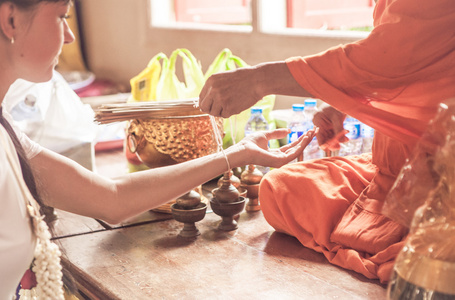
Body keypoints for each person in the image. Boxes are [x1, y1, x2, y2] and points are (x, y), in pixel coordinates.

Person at [0, 1, 316, 298]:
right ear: (10, 19)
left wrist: (239, 154)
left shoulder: (6, 130)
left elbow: (111, 198)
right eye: (61, 16)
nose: (69, 36)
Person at [198, 0, 455, 283]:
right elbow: (413, 62)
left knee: (431, 252)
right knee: (281, 188)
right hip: (391, 172)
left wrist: (259, 80)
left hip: (441, 177)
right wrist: (344, 104)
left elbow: (395, 55)